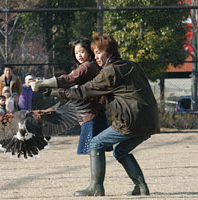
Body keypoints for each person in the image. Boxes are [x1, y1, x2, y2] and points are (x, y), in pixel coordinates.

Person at [45, 34, 159, 196]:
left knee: (96, 143)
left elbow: (83, 91)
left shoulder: (110, 71)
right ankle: (140, 187)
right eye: (95, 53)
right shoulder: (132, 65)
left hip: (131, 120)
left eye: (99, 53)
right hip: (150, 120)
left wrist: (53, 92)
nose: (96, 56)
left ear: (110, 53)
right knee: (120, 151)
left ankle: (96, 187)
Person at [31, 38, 109, 155]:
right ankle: (97, 174)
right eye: (76, 53)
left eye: (82, 51)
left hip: (91, 115)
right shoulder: (92, 66)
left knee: (92, 151)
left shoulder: (87, 66)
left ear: (89, 51)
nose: (79, 55)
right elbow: (72, 89)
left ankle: (95, 174)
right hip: (96, 113)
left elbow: (69, 80)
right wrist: (52, 89)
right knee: (97, 150)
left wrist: (43, 83)